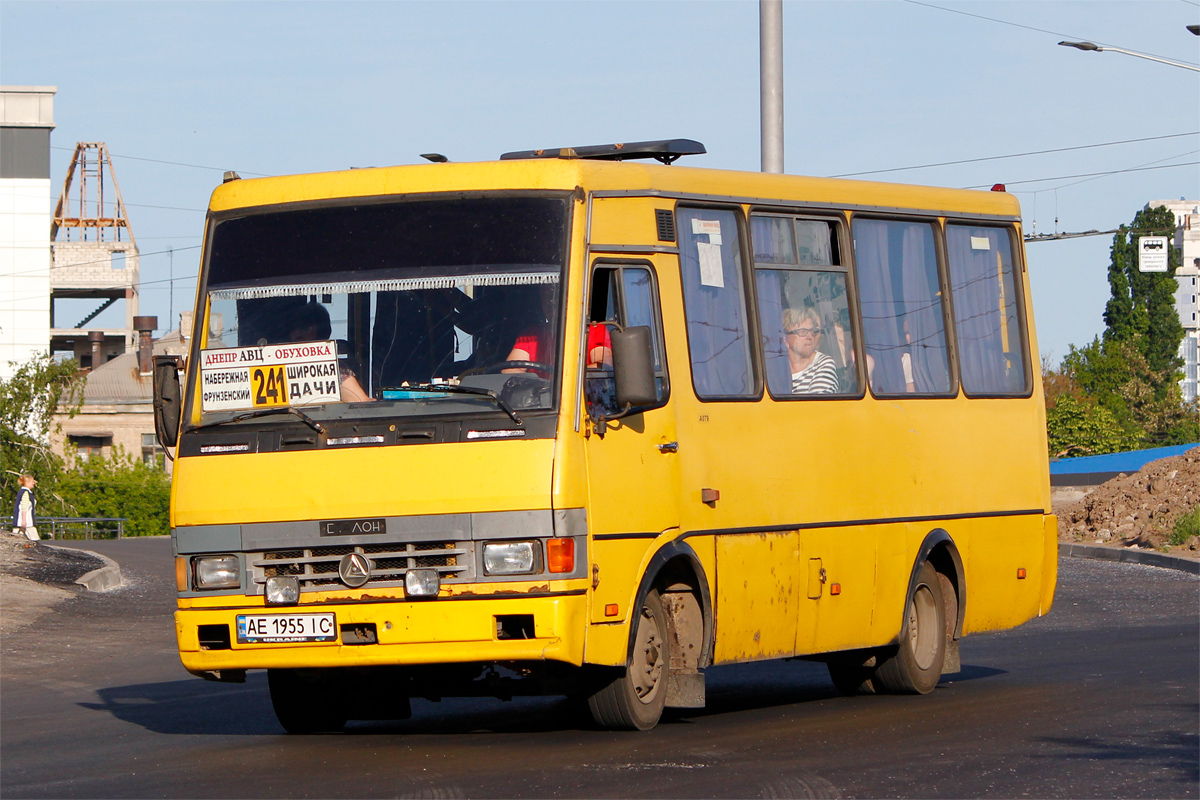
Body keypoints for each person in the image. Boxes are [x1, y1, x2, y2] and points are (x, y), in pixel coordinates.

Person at [286, 301, 374, 402]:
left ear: (321, 331)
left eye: (305, 327)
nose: (298, 333)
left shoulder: (335, 368)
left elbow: (361, 402)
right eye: (293, 328)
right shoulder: (277, 366)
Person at [783, 307, 838, 394]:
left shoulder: (824, 364)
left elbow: (817, 405)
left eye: (812, 331)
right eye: (802, 332)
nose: (809, 336)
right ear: (785, 339)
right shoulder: (777, 368)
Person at [12, 474, 40, 541]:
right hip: (27, 523)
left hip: (23, 522)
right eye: (32, 482)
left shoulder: (23, 492)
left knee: (15, 539)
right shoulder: (25, 493)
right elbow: (24, 507)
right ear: (27, 482)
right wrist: (24, 521)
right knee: (35, 540)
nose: (33, 483)